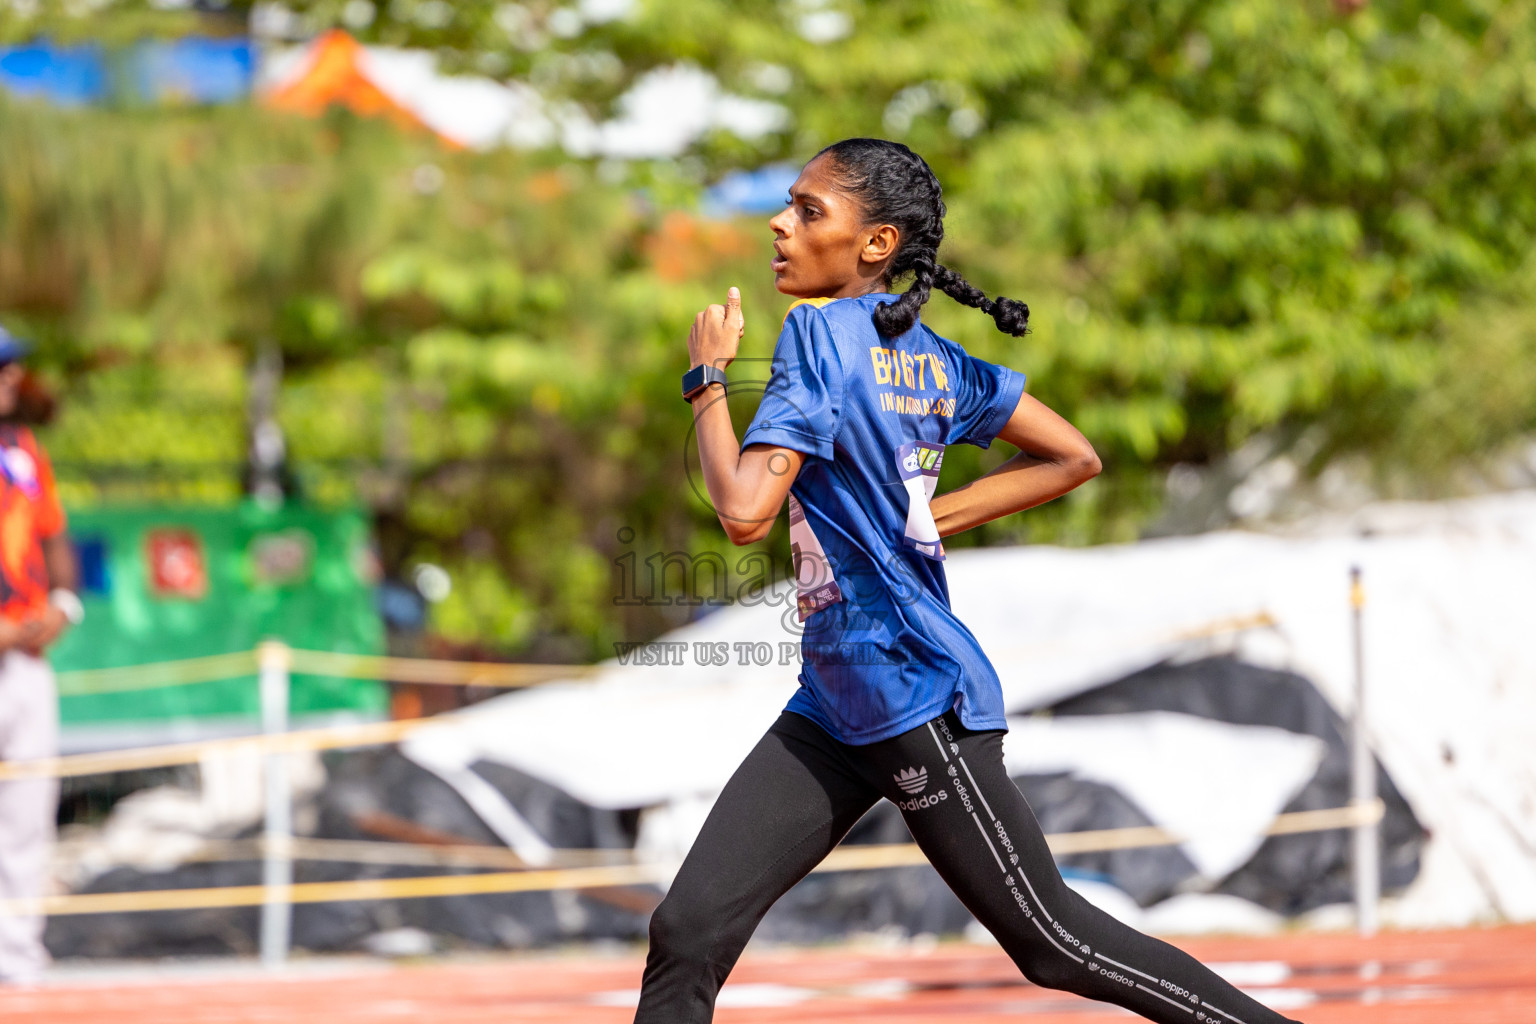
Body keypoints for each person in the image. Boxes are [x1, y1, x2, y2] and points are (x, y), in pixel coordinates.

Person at [639, 139, 1301, 1024]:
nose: (779, 222)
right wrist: (928, 520)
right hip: (834, 703)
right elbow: (1073, 456)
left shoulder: (817, 336)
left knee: (1053, 941)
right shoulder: (933, 356)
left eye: (808, 210)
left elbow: (746, 511)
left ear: (876, 244)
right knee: (688, 930)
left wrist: (707, 382)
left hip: (910, 689)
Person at [0, 327, 80, 986]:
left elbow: (55, 536)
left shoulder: (24, 450)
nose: (9, 379)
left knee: (28, 807)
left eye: (12, 368)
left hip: (25, 661)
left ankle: (18, 954)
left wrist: (63, 604)